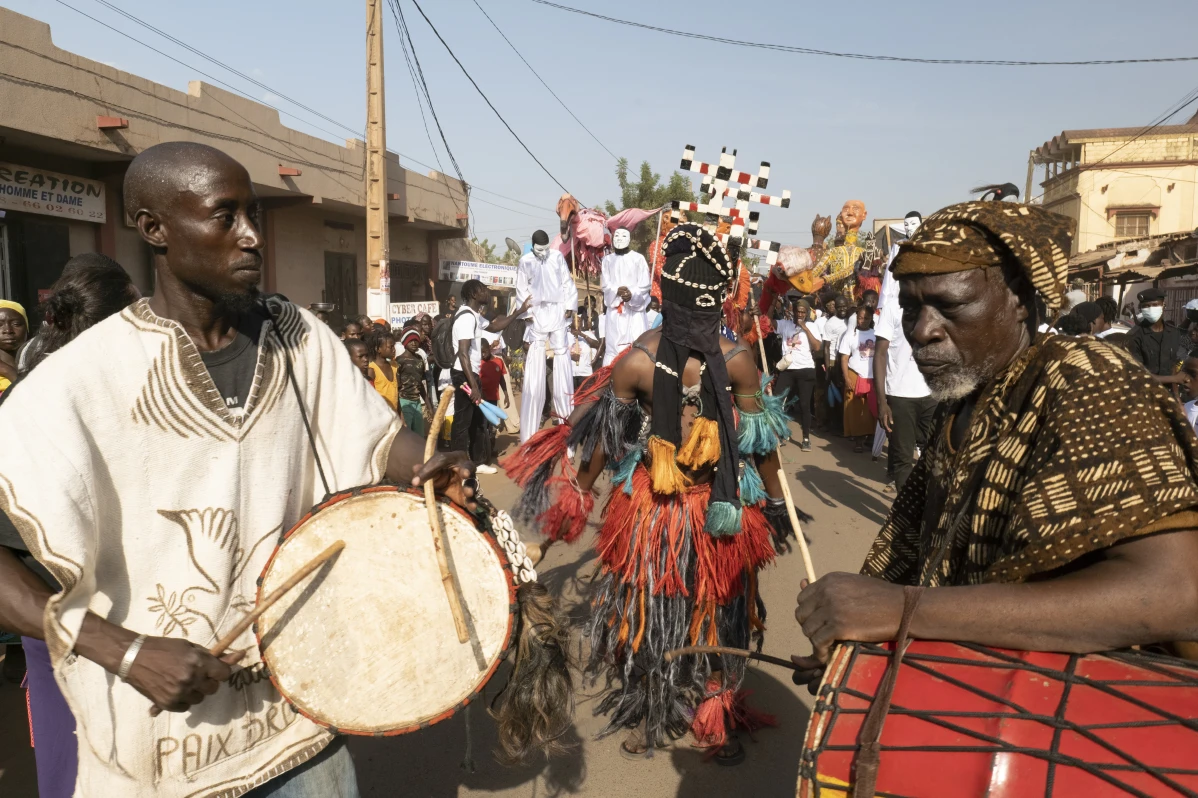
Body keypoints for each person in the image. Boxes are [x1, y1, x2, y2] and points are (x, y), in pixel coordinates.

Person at [0, 142, 473, 798]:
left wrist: (429, 463)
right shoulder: (78, 384)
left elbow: (369, 438)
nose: (251, 235)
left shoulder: (299, 336)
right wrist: (125, 651)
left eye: (252, 214)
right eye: (224, 217)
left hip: (299, 725)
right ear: (152, 227)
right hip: (157, 754)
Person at [793, 201, 1198, 692]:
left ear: (1020, 299)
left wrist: (902, 609)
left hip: (1080, 722)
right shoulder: (966, 399)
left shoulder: (1088, 380)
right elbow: (912, 555)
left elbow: (1174, 593)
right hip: (979, 704)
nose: (922, 330)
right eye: (910, 308)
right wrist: (853, 633)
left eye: (952, 305)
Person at [503, 224, 804, 763]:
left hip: (715, 507)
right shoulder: (685, 361)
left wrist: (777, 507)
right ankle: (655, 706)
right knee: (652, 617)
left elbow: (760, 444)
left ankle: (714, 714)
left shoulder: (692, 361)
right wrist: (578, 496)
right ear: (721, 297)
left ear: (662, 292)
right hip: (656, 513)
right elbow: (606, 439)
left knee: (714, 612)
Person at [0, 255, 139, 798]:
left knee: (66, 769)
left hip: (50, 622)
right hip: (112, 622)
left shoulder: (20, 401)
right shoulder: (124, 404)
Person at [451, 278, 526, 474]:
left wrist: (518, 312)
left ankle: (477, 462)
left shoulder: (475, 316)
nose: (487, 292)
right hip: (463, 374)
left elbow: (495, 326)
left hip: (471, 373)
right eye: (484, 290)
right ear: (474, 294)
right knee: (462, 422)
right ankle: (458, 465)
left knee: (477, 420)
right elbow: (462, 353)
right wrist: (473, 385)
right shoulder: (466, 317)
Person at [515, 229, 578, 443]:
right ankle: (530, 431)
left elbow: (567, 282)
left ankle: (565, 421)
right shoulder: (525, 261)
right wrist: (527, 315)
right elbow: (521, 289)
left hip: (557, 308)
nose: (542, 253)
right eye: (538, 249)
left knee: (561, 355)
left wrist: (570, 305)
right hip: (537, 312)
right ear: (532, 245)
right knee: (535, 356)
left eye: (545, 249)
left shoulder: (557, 256)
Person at [873, 295, 935, 493]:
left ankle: (927, 510)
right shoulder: (892, 307)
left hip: (932, 394)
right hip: (900, 397)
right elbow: (880, 354)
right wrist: (882, 402)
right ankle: (904, 517)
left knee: (935, 454)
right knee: (903, 459)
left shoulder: (935, 303)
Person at [600, 228, 652, 366]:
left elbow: (645, 285)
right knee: (613, 349)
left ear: (629, 239)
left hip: (634, 313)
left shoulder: (638, 259)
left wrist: (631, 294)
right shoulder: (607, 260)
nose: (619, 238)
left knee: (636, 348)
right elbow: (605, 285)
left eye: (623, 235)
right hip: (615, 312)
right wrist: (617, 291)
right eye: (616, 235)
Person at [774, 300, 822, 451]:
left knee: (804, 405)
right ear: (793, 311)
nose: (800, 314)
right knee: (777, 401)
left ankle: (806, 438)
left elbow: (817, 347)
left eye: (803, 312)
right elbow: (769, 322)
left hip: (805, 370)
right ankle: (780, 434)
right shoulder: (785, 324)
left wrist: (805, 329)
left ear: (807, 313)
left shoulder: (813, 326)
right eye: (798, 311)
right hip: (787, 369)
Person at [1127, 287, 1187, 386]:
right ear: (1141, 309)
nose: (1150, 309)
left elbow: (1173, 366)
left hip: (1169, 394)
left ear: (1164, 306)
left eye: (1155, 305)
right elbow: (1138, 374)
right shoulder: (1134, 336)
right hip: (1145, 394)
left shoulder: (1173, 333)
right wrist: (1174, 379)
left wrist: (1176, 397)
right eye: (1146, 306)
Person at [838, 306, 877, 452]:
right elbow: (844, 357)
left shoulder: (877, 335)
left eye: (866, 318)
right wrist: (846, 376)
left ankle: (871, 437)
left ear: (871, 319)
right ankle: (859, 441)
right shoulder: (850, 335)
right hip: (855, 374)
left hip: (873, 376)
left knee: (871, 409)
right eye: (860, 317)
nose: (863, 321)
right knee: (855, 409)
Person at [396, 328, 430, 434]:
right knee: (407, 433)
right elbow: (397, 386)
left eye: (416, 340)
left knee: (419, 435)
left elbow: (420, 384)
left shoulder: (419, 360)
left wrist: (429, 406)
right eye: (411, 340)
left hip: (417, 401)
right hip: (404, 401)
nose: (414, 343)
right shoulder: (399, 361)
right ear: (405, 342)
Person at [366, 328, 399, 412]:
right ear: (378, 349)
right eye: (390, 347)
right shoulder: (372, 369)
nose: (394, 349)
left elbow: (397, 395)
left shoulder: (394, 366)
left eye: (394, 346)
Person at [0, 300, 28, 395]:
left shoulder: (40, 364)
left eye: (16, 324)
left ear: (27, 328)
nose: (8, 330)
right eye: (0, 325)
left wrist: (7, 370)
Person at [568, 312, 601, 389]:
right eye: (576, 320)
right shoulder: (566, 336)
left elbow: (597, 345)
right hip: (571, 374)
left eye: (580, 320)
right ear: (570, 323)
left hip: (585, 373)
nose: (578, 322)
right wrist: (570, 356)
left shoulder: (587, 334)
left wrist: (581, 334)